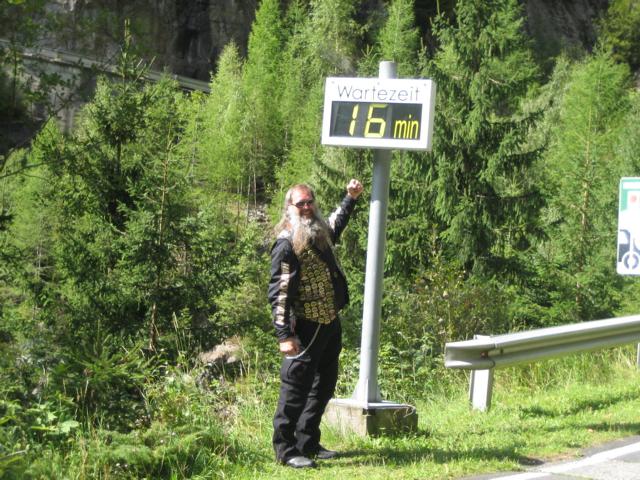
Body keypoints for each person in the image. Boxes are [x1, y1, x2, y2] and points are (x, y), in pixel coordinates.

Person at [267, 179, 363, 468]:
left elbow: (336, 223)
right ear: (289, 207)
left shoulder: (318, 231)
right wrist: (284, 335)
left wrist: (350, 198)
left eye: (310, 202)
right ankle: (286, 450)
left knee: (324, 385)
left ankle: (307, 441)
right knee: (295, 389)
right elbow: (279, 293)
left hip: (329, 321)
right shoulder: (286, 244)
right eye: (301, 204)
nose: (307, 207)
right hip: (305, 325)